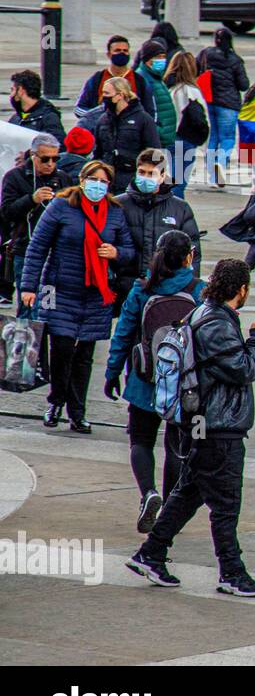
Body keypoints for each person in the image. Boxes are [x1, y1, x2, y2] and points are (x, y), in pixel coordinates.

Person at [126, 258, 255, 598]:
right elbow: (244, 369)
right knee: (225, 504)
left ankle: (151, 553)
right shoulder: (216, 323)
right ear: (242, 289)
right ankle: (231, 572)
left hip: (205, 424)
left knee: (189, 493)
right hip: (218, 426)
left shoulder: (204, 313)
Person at [20, 160, 135, 433]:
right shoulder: (61, 207)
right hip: (61, 289)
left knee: (84, 355)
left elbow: (129, 250)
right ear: (82, 181)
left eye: (104, 181)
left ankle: (77, 411)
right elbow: (37, 248)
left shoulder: (115, 213)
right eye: (94, 179)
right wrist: (28, 287)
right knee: (61, 350)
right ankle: (56, 401)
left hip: (96, 294)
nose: (98, 185)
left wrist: (116, 253)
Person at [104, 231, 203, 533]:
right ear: (189, 256)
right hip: (183, 385)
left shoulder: (142, 288)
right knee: (175, 445)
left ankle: (149, 493)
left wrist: (112, 372)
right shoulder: (199, 291)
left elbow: (123, 332)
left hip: (145, 377)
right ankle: (170, 507)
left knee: (141, 441)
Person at [112, 148, 202, 306]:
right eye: (141, 172)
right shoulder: (118, 204)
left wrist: (189, 287)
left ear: (162, 176)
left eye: (151, 173)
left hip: (166, 289)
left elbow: (193, 252)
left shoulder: (180, 208)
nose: (145, 178)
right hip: (125, 287)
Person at [2, 134, 73, 312]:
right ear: (33, 155)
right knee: (28, 307)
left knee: (48, 308)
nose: (50, 163)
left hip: (55, 255)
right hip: (26, 251)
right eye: (45, 159)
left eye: (55, 158)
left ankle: (45, 339)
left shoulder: (63, 178)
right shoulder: (14, 177)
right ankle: (29, 339)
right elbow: (7, 212)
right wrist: (31, 199)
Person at [195, 28, 248, 188]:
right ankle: (221, 165)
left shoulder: (205, 54)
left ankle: (212, 177)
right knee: (227, 138)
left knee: (214, 137)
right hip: (228, 104)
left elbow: (195, 70)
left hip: (209, 100)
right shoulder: (235, 59)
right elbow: (243, 84)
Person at [93, 77, 162, 194]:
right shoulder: (103, 120)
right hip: (107, 183)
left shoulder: (143, 119)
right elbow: (98, 152)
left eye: (107, 93)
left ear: (120, 95)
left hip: (131, 182)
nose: (103, 97)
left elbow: (154, 153)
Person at [75, 35, 155, 120]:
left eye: (125, 50)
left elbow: (151, 112)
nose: (122, 53)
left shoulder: (140, 81)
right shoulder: (97, 79)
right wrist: (98, 117)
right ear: (109, 54)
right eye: (117, 50)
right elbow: (79, 108)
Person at [163, 52, 204, 199]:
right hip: (185, 139)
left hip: (168, 138)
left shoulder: (166, 88)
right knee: (178, 184)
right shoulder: (190, 90)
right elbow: (199, 118)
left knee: (170, 179)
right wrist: (201, 137)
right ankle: (174, 213)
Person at [134, 40, 176, 156]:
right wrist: (157, 131)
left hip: (162, 139)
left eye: (163, 56)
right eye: (158, 57)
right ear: (147, 59)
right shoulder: (142, 78)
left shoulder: (156, 77)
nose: (162, 60)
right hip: (154, 138)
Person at [9, 70, 65, 145]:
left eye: (12, 90)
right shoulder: (16, 118)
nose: (11, 95)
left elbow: (59, 146)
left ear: (21, 90)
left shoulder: (48, 118)